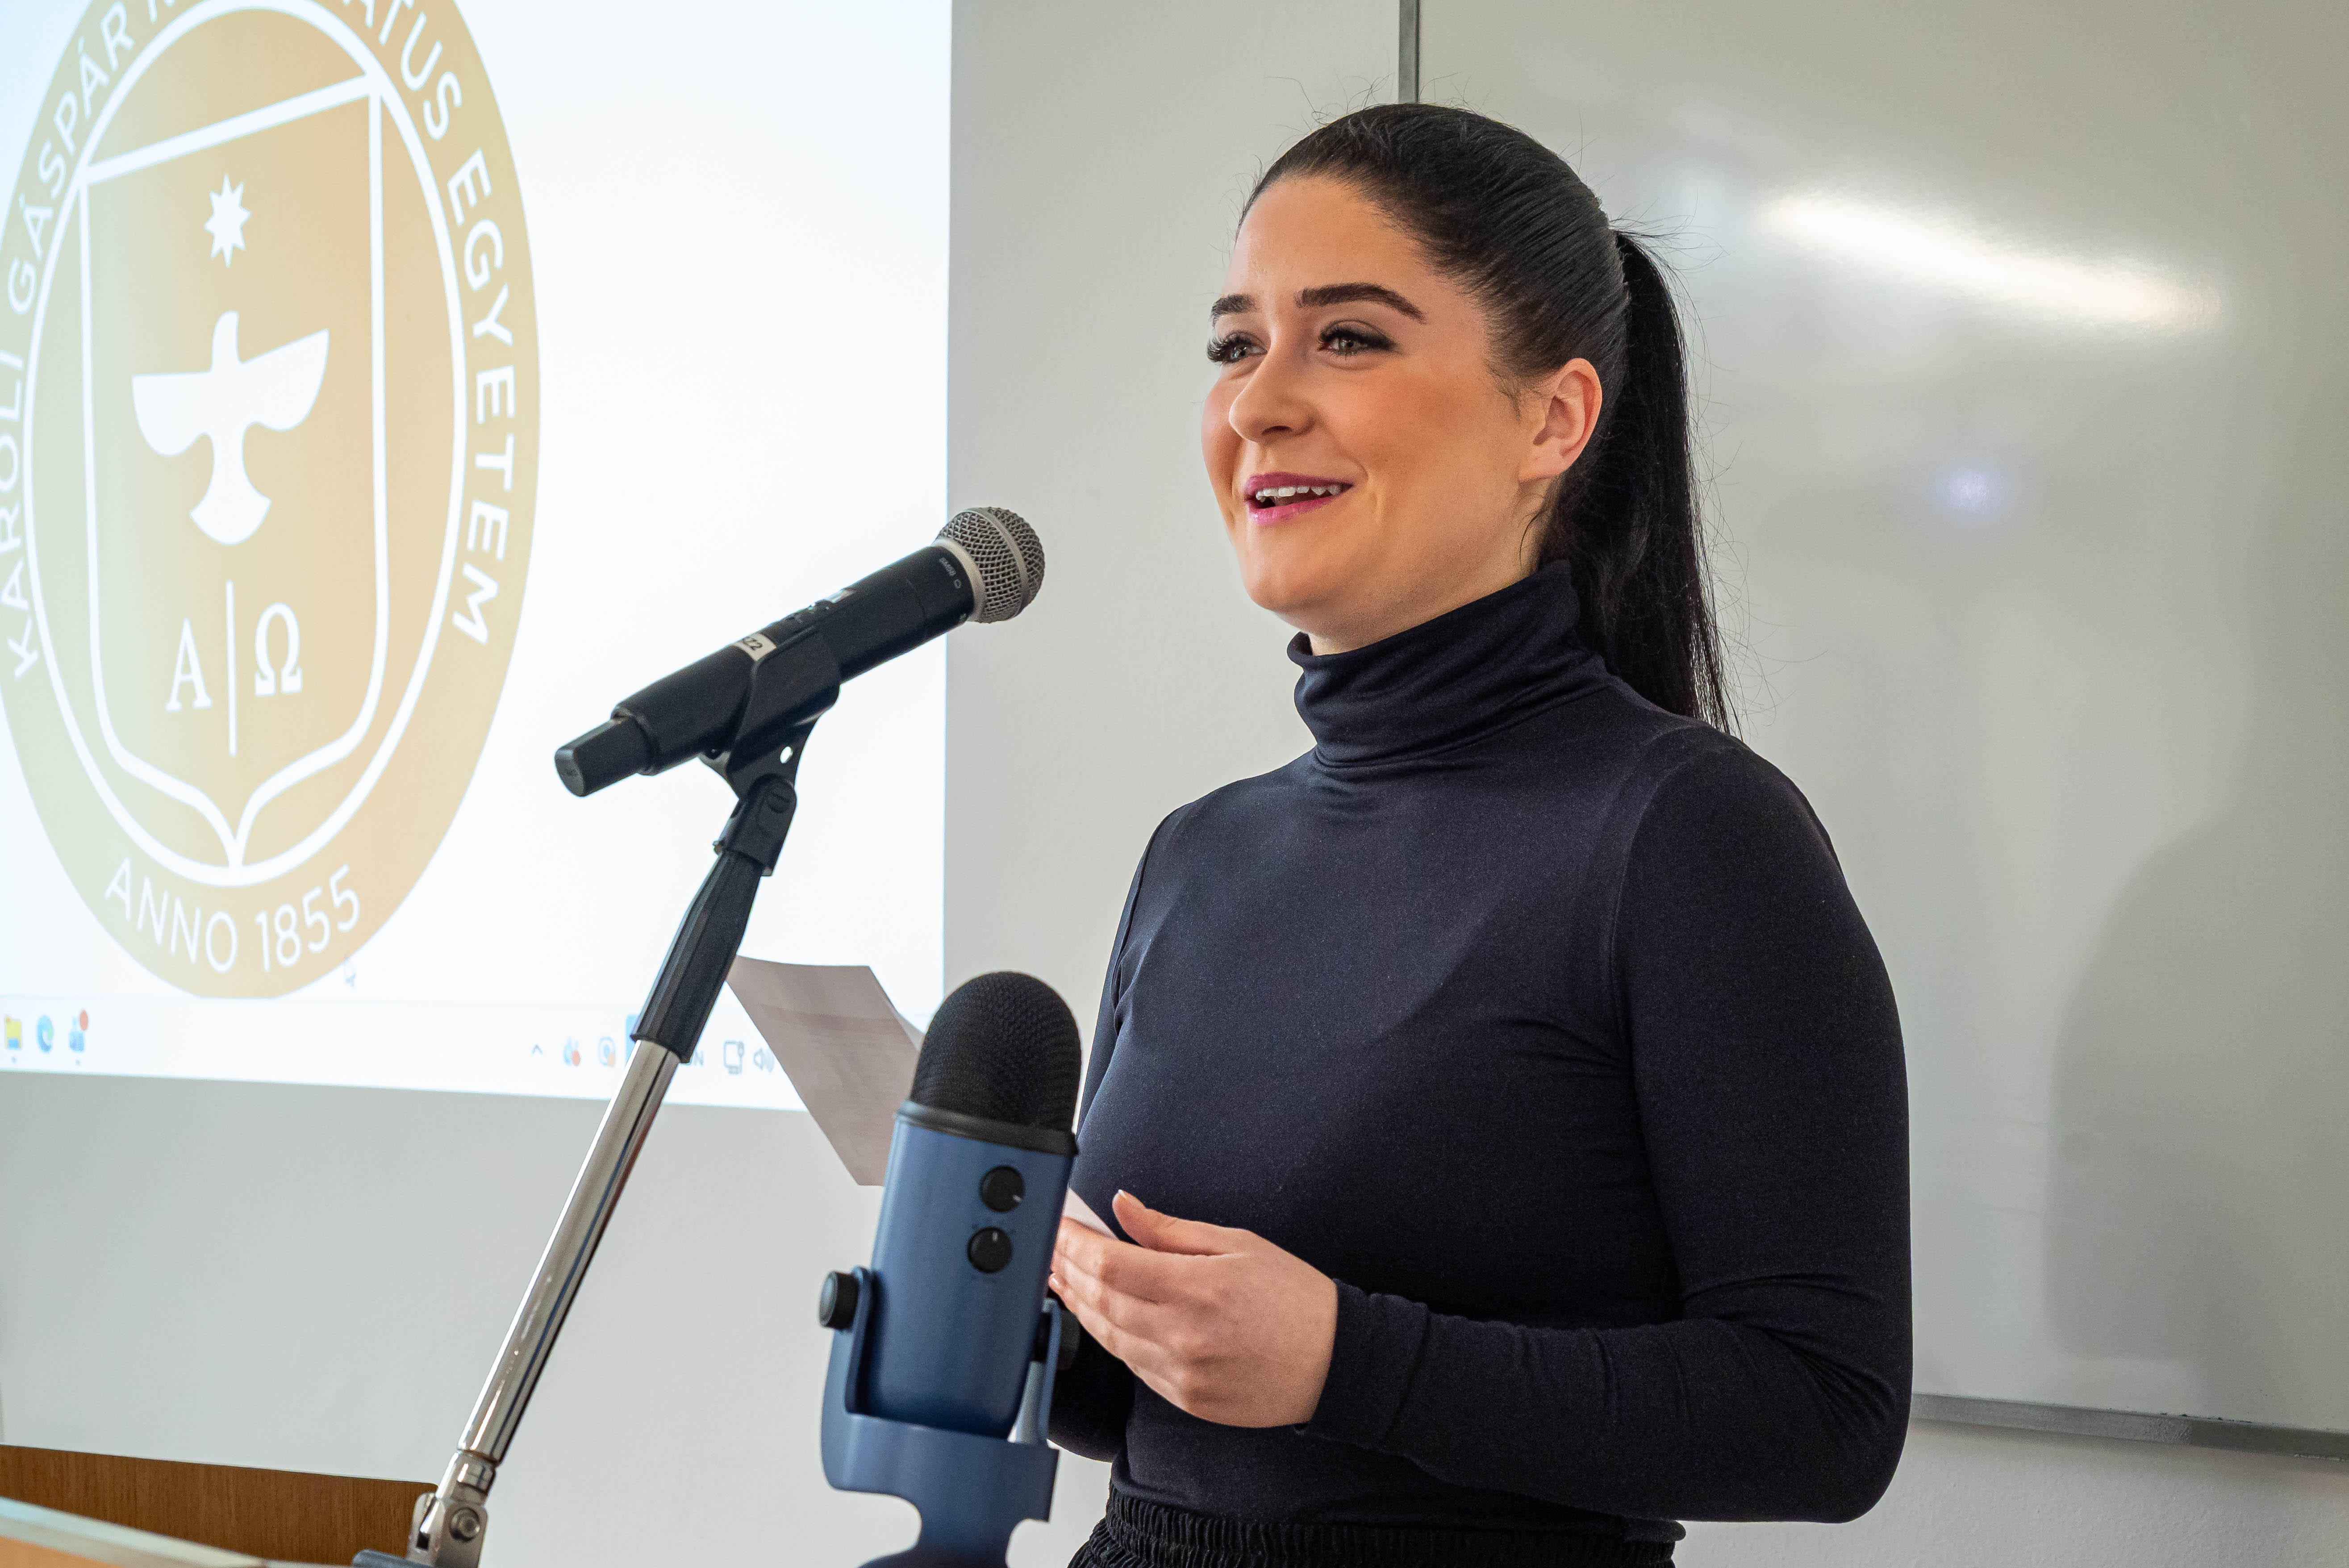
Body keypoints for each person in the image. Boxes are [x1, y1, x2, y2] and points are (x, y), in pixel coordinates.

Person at [1044, 104, 1910, 1568]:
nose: (1258, 404)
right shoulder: (1201, 853)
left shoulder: (1690, 837)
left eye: (1348, 338)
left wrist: (1350, 1362)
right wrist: (1035, 1310)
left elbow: (1826, 1415)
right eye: (1235, 345)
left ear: (1553, 420)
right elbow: (1142, 1420)